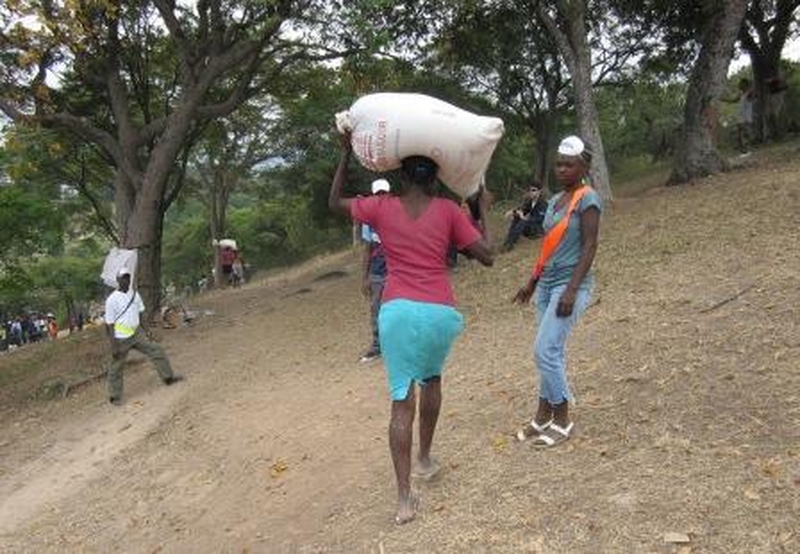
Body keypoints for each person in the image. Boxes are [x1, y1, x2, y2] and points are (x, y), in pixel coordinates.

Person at [330, 135, 494, 525]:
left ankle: (405, 500)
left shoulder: (381, 208)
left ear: (402, 175)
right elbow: (488, 255)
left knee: (401, 401)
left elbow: (334, 203)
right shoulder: (449, 211)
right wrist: (482, 208)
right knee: (432, 379)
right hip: (439, 311)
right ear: (436, 179)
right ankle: (424, 458)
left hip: (398, 311)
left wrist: (343, 150)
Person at [513, 135, 601, 448]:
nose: (562, 169)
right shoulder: (553, 202)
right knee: (550, 352)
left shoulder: (587, 199)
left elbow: (590, 246)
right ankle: (542, 416)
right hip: (548, 283)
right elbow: (548, 248)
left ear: (583, 166)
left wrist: (571, 291)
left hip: (570, 284)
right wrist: (532, 282)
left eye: (569, 165)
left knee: (545, 351)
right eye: (559, 164)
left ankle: (562, 418)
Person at [104, 267, 183, 405]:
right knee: (116, 366)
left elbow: (141, 315)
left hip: (136, 334)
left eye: (128, 277)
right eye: (123, 277)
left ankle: (168, 378)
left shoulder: (134, 295)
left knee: (156, 350)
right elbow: (109, 325)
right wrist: (114, 345)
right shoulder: (112, 300)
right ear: (118, 280)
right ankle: (114, 396)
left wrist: (148, 331)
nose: (126, 280)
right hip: (121, 338)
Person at [359, 178, 391, 363]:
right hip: (378, 270)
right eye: (378, 194)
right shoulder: (368, 220)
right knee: (376, 308)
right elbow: (367, 248)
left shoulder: (399, 212)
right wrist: (365, 277)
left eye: (383, 193)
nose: (381, 197)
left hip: (398, 268)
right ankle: (378, 345)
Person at [502, 183, 547, 252]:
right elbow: (522, 209)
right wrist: (512, 212)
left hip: (537, 230)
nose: (531, 192)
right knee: (517, 217)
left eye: (533, 190)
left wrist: (524, 218)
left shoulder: (543, 204)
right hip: (529, 227)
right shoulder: (530, 202)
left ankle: (511, 243)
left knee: (523, 221)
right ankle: (509, 240)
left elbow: (539, 219)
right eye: (530, 190)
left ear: (539, 191)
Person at [737, 78, 755, 154]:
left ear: (745, 85)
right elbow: (733, 100)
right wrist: (720, 98)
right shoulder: (742, 95)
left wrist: (749, 86)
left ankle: (748, 151)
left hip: (746, 118)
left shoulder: (749, 94)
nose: (739, 85)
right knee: (740, 136)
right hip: (740, 118)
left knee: (746, 135)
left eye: (741, 84)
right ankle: (744, 151)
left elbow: (753, 93)